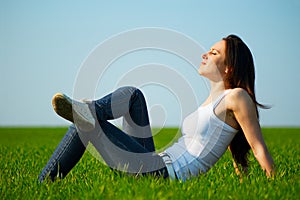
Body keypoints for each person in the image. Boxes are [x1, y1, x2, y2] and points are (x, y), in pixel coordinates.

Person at [38, 34, 275, 183]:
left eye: (214, 53)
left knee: (85, 124)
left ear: (229, 69)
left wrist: (272, 183)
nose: (204, 54)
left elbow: (256, 146)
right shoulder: (212, 102)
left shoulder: (237, 97)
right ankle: (89, 110)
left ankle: (42, 185)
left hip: (164, 175)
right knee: (133, 95)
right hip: (156, 162)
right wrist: (244, 181)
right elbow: (233, 144)